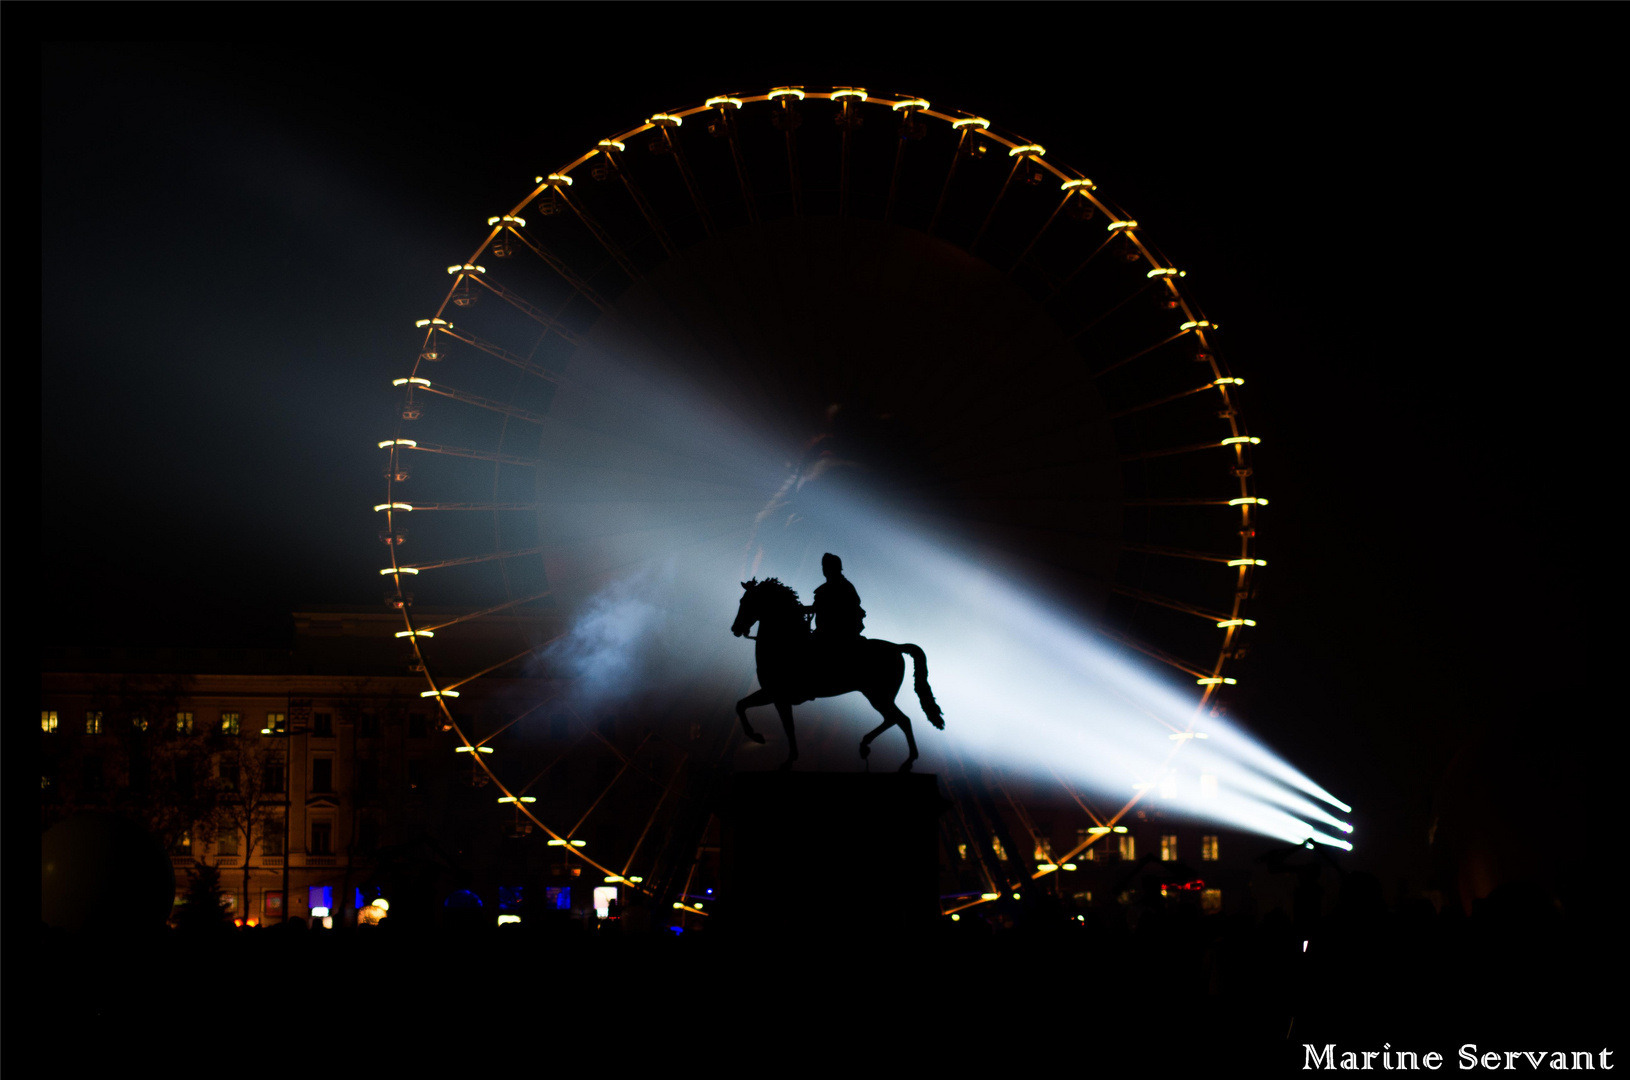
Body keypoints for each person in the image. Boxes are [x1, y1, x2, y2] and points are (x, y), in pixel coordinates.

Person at [807, 553, 865, 647]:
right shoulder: (823, 590)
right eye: (824, 566)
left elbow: (851, 605)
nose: (825, 569)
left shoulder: (844, 586)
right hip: (824, 630)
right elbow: (816, 607)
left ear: (836, 568)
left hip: (838, 632)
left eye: (828, 566)